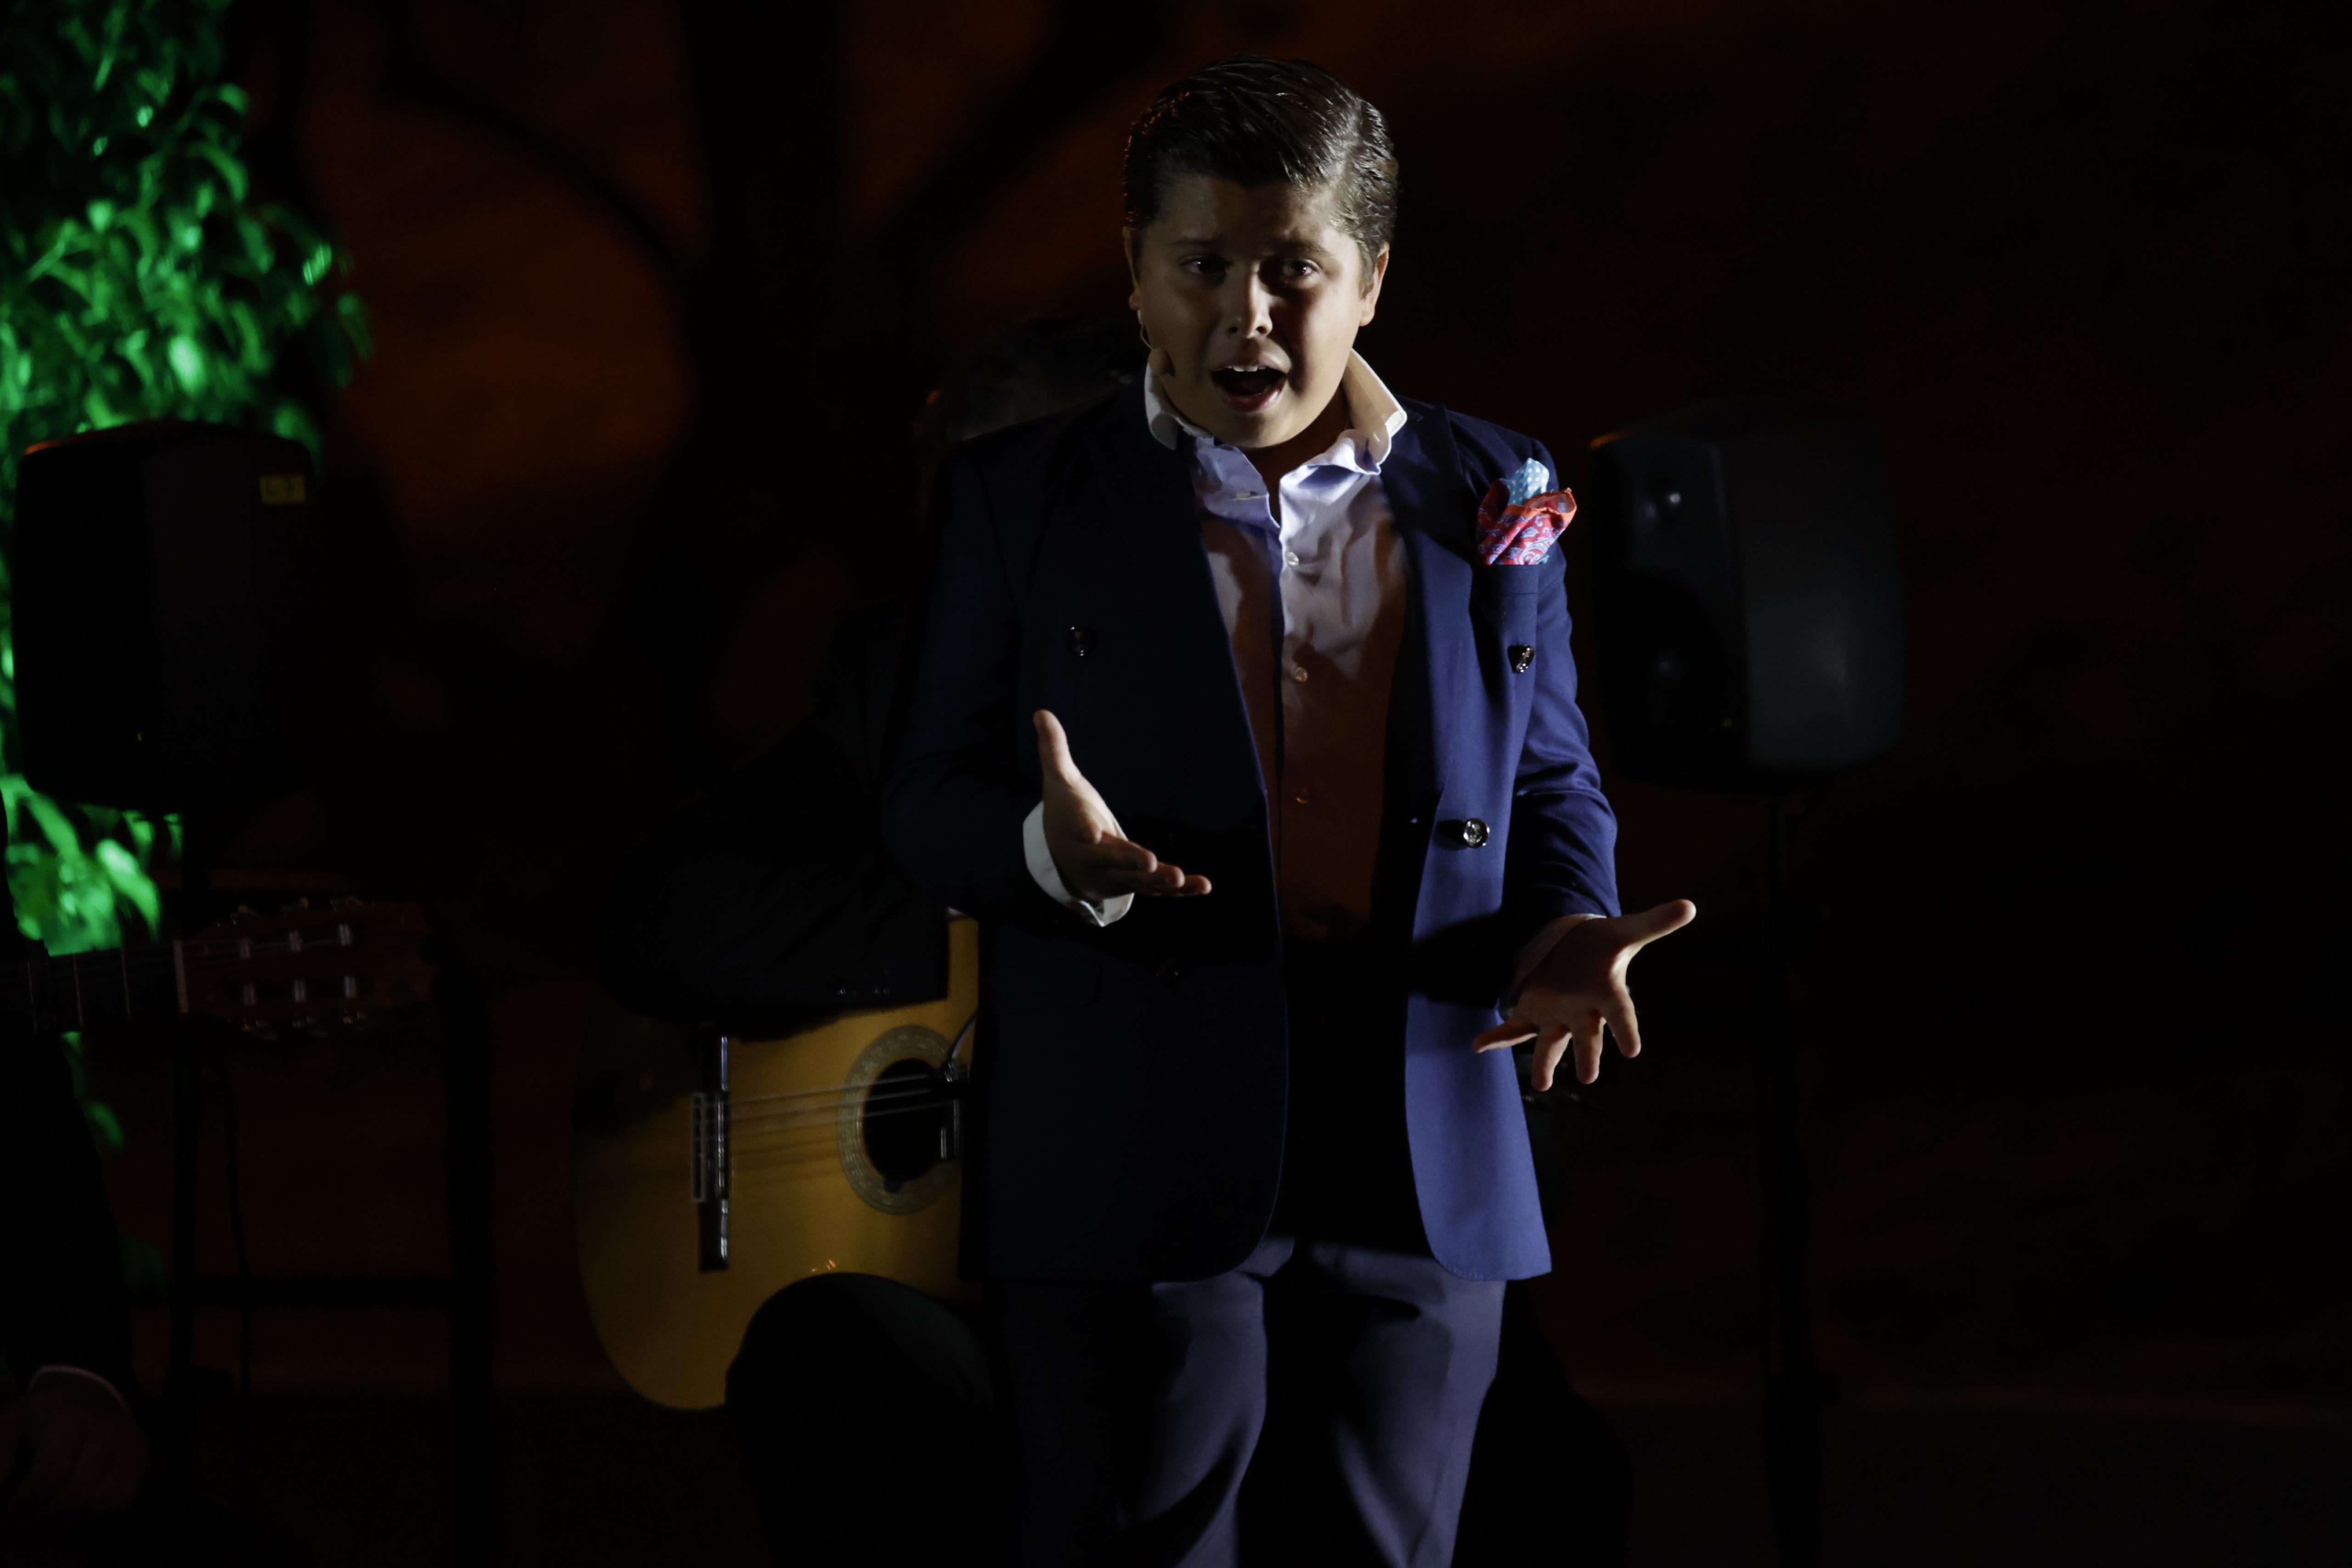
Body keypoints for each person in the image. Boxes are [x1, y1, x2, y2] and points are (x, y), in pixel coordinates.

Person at [882, 57, 1693, 1566]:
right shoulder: (1018, 498)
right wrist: (1047, 853)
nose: (1245, 315)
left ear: (1371, 278)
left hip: (1421, 1105)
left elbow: (1546, 773)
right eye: (1201, 266)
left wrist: (1564, 922)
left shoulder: (1490, 483)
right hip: (1134, 1112)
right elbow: (923, 796)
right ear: (1136, 271)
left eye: (1293, 270)